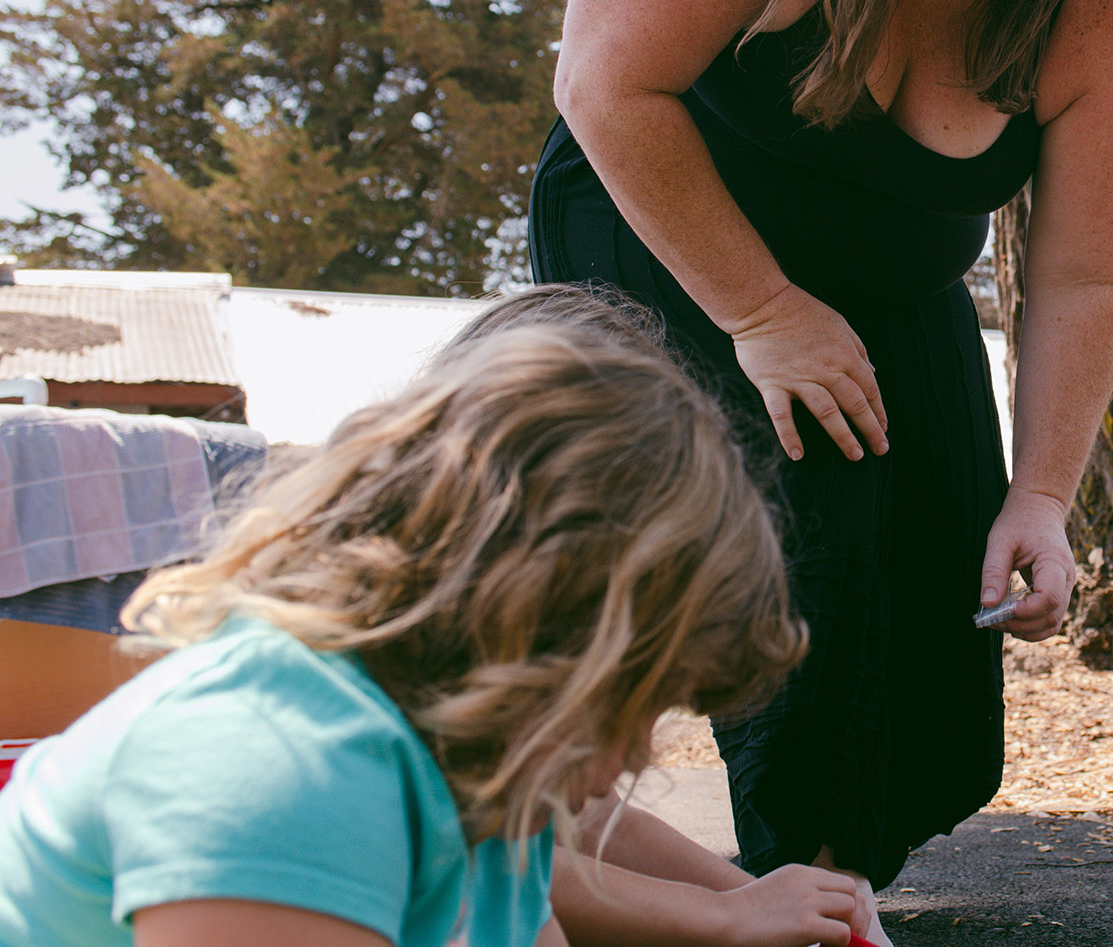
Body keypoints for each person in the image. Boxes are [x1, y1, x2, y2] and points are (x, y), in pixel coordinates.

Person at [528, 0, 1113, 942]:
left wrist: (1041, 495)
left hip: (888, 275)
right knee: (810, 514)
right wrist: (763, 313)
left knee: (940, 646)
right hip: (662, 214)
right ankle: (790, 903)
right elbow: (603, 77)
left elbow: (1090, 265)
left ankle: (826, 896)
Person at [0, 310, 865, 947]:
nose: (637, 755)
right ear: (523, 632)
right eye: (626, 702)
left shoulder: (482, 803)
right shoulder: (278, 766)